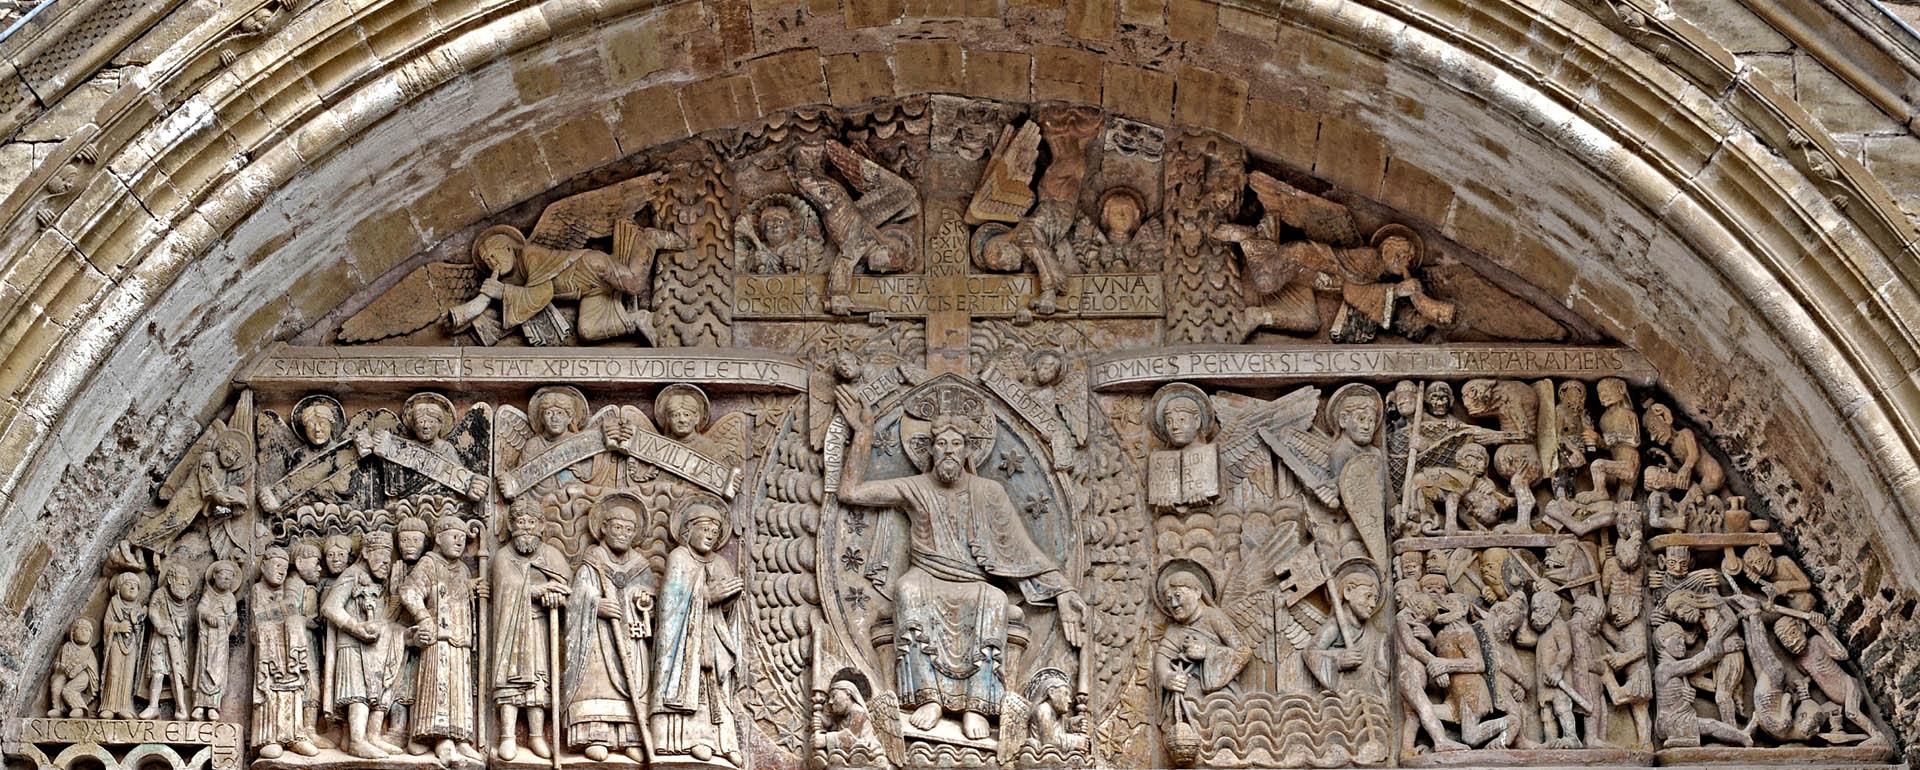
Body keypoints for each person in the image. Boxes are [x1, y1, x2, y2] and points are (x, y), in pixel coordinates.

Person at [837, 387, 1089, 741]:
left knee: (996, 601)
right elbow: (850, 493)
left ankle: (977, 705)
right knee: (906, 591)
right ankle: (929, 700)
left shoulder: (989, 492)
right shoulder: (915, 487)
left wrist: (1061, 589)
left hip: (973, 582)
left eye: (956, 444)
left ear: (970, 449)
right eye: (942, 444)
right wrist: (862, 434)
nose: (949, 451)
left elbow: (1021, 550)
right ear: (930, 450)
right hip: (926, 577)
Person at [563, 494, 656, 762]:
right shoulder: (593, 560)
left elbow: (648, 592)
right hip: (597, 636)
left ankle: (630, 736)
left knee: (635, 681)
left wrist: (644, 600)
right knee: (599, 679)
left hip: (630, 633)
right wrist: (596, 605)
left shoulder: (640, 564)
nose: (622, 534)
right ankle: (594, 735)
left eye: (629, 530)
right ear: (603, 528)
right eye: (617, 527)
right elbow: (578, 596)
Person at [651, 499, 744, 765]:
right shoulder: (679, 557)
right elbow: (670, 603)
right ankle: (689, 740)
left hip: (714, 640)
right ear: (687, 531)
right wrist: (704, 596)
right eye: (704, 530)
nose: (710, 537)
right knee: (691, 686)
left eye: (715, 534)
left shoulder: (721, 564)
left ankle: (723, 741)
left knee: (718, 687)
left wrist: (729, 601)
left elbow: (727, 612)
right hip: (684, 644)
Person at [397, 516, 483, 762]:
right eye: (453, 536)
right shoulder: (429, 563)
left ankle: (460, 736)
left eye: (463, 538)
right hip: (439, 639)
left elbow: (459, 594)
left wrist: (474, 589)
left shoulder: (463, 569)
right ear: (438, 538)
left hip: (460, 640)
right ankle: (440, 738)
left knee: (460, 689)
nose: (459, 542)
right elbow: (409, 591)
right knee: (439, 687)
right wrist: (424, 618)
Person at [492, 498, 571, 761]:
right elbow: (507, 590)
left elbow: (568, 591)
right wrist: (539, 591)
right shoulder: (504, 557)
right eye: (520, 522)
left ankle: (537, 735)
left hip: (541, 628)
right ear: (511, 526)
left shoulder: (552, 556)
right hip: (511, 631)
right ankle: (507, 736)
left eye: (530, 523)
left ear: (540, 526)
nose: (525, 528)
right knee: (510, 682)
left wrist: (557, 597)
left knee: (539, 682)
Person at [321, 532, 402, 759]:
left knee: (372, 691)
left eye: (389, 557)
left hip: (373, 649)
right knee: (358, 693)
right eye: (381, 555)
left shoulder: (378, 582)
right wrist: (356, 628)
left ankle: (371, 737)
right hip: (352, 645)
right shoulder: (351, 575)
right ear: (366, 553)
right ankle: (357, 740)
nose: (386, 562)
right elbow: (330, 607)